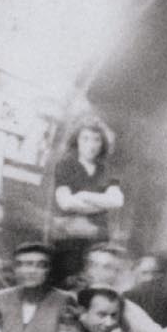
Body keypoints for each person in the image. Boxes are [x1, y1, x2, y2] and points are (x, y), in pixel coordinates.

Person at [49, 120, 124, 285]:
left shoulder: (108, 170)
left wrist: (83, 195)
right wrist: (102, 203)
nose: (91, 144)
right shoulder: (66, 165)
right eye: (86, 138)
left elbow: (117, 201)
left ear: (102, 143)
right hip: (70, 238)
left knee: (95, 283)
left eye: (97, 139)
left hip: (99, 239)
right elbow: (66, 203)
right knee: (67, 283)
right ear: (77, 141)